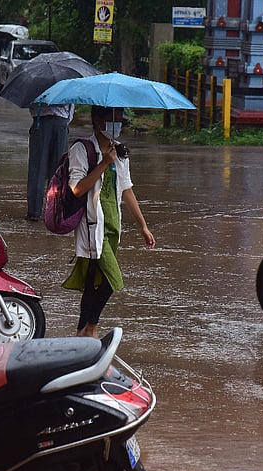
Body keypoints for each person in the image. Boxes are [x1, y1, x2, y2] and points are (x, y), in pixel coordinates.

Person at [62, 106, 156, 338]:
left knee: (96, 279)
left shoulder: (120, 153)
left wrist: (143, 226)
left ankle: (81, 331)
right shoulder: (82, 150)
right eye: (109, 120)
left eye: (120, 121)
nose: (116, 125)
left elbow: (127, 190)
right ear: (96, 121)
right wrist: (104, 163)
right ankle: (92, 328)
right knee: (113, 279)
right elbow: (76, 189)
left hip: (113, 225)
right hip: (92, 225)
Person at [26, 103, 74, 221]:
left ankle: (34, 211)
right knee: (58, 171)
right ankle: (54, 212)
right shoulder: (66, 84)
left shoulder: (36, 84)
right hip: (61, 123)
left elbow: (30, 102)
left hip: (40, 122)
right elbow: (71, 106)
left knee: (37, 168)